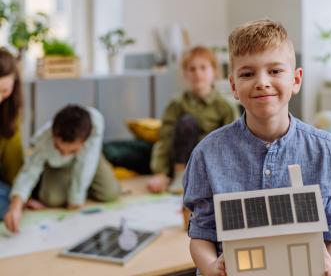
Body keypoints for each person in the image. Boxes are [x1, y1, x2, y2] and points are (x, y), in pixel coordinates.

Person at [183, 19, 331, 276]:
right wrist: (211, 267)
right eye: (247, 73)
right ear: (233, 86)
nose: (262, 82)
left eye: (275, 71)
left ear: (296, 80)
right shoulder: (207, 155)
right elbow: (201, 235)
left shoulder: (330, 155)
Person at [4, 105, 120, 233]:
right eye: (59, 149)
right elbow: (29, 173)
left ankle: (82, 186)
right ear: (53, 136)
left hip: (91, 160)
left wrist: (76, 198)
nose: (65, 154)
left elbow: (85, 165)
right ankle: (68, 183)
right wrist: (15, 208)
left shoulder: (95, 126)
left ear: (84, 141)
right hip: (57, 166)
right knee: (52, 199)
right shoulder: (43, 140)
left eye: (72, 150)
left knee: (110, 193)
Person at [147, 46, 239, 193]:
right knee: (186, 122)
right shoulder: (177, 104)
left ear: (214, 71)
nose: (198, 73)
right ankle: (180, 176)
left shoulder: (225, 105)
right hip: (180, 160)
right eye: (192, 69)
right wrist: (160, 173)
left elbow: (233, 142)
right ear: (185, 74)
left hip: (210, 160)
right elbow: (164, 139)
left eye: (203, 68)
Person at [0, 48, 24, 220]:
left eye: (4, 91)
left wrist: (20, 197)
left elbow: (14, 160)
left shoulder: (10, 112)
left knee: (7, 201)